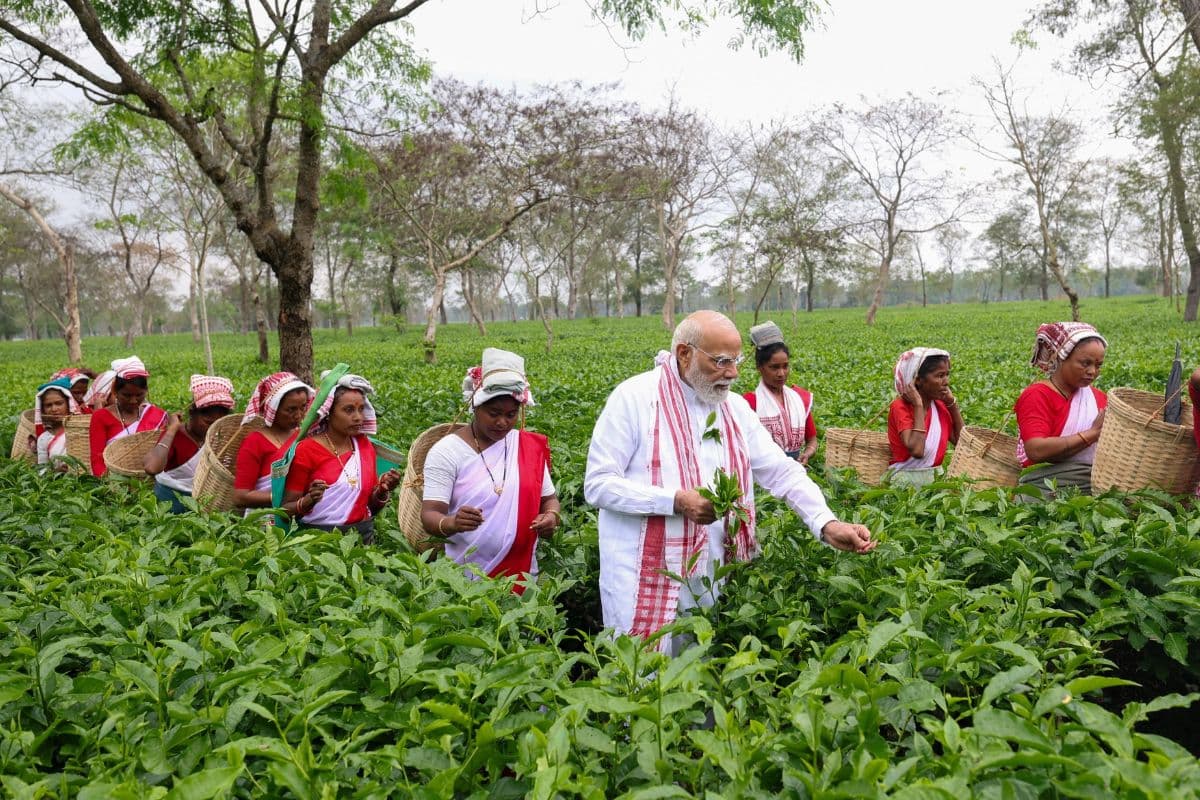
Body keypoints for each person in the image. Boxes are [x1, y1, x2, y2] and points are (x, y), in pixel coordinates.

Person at [584, 310, 876, 655]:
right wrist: (676, 501)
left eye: (736, 361)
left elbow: (781, 471)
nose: (733, 373)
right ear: (684, 353)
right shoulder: (634, 398)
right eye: (721, 361)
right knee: (642, 672)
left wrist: (826, 523)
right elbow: (599, 484)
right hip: (643, 575)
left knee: (700, 668)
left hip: (710, 573)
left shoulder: (734, 409)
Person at [420, 349, 560, 593]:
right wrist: (452, 523)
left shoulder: (525, 447)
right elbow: (430, 514)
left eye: (511, 415)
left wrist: (551, 517)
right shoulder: (447, 452)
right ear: (475, 406)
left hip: (524, 577)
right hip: (464, 581)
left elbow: (550, 500)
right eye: (493, 413)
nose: (502, 422)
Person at [282, 373, 401, 543]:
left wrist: (382, 490)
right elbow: (285, 510)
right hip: (318, 542)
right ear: (328, 413)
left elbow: (368, 507)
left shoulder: (364, 446)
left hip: (361, 538)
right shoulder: (307, 450)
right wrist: (308, 500)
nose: (358, 417)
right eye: (349, 410)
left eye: (361, 409)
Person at [1014, 322, 1108, 497]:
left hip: (1091, 482)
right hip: (1043, 488)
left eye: (1098, 365)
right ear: (1060, 358)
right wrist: (1091, 434)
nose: (1092, 371)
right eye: (1085, 363)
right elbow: (1035, 450)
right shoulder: (1037, 395)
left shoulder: (1098, 398)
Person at [143, 375, 236, 512]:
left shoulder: (220, 437)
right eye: (208, 422)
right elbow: (152, 468)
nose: (212, 428)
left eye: (218, 423)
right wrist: (171, 429)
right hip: (170, 504)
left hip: (205, 504)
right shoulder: (176, 435)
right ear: (192, 413)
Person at [233, 372, 314, 512]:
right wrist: (281, 497)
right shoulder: (255, 442)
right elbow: (240, 497)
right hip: (265, 518)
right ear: (273, 408)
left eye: (303, 407)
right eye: (291, 410)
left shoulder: (302, 436)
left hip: (299, 514)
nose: (298, 415)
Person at [742, 321, 819, 464]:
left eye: (785, 366)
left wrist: (807, 453)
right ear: (759, 367)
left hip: (797, 469)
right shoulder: (749, 403)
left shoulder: (799, 399)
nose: (781, 373)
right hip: (764, 473)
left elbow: (812, 440)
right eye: (774, 367)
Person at [886, 348, 964, 487]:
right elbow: (917, 450)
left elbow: (961, 443)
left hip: (935, 482)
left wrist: (952, 405)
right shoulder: (900, 407)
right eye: (940, 376)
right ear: (918, 380)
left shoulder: (940, 407)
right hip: (904, 485)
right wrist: (918, 404)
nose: (946, 382)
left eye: (947, 375)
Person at [88, 357, 169, 477]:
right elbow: (97, 459)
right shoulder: (101, 417)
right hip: (113, 480)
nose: (133, 401)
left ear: (146, 391)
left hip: (151, 480)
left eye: (139, 395)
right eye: (126, 395)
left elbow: (165, 454)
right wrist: (107, 483)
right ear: (115, 390)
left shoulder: (157, 415)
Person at [34, 377, 80, 469]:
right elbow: (42, 470)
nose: (54, 409)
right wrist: (56, 471)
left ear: (69, 404)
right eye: (48, 405)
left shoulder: (81, 430)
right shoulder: (44, 439)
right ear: (43, 409)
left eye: (59, 403)